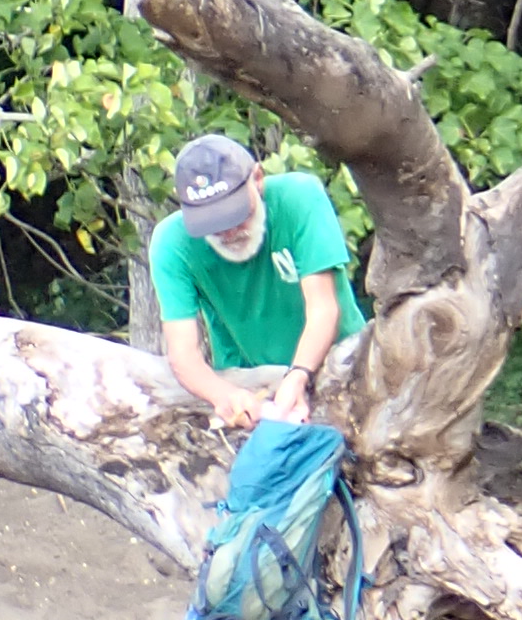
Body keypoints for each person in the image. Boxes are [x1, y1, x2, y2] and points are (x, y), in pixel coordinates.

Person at [150, 132, 365, 433]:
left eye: (234, 214)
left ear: (258, 179)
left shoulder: (299, 198)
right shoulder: (171, 243)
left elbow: (324, 309)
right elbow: (183, 354)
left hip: (344, 367)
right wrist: (225, 396)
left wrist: (298, 375)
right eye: (212, 223)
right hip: (251, 383)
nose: (228, 231)